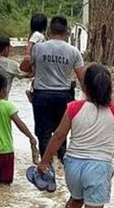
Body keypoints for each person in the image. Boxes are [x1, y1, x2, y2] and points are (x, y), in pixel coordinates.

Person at [37, 64, 114, 208]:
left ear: (84, 87)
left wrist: (44, 162)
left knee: (76, 199)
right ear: (109, 89)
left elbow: (58, 136)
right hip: (98, 168)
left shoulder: (73, 108)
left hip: (73, 166)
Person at [31, 16, 85, 163]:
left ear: (49, 31)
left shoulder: (38, 48)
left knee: (43, 133)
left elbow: (31, 69)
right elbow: (82, 79)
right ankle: (63, 163)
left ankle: (46, 166)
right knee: (61, 132)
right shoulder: (74, 52)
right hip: (64, 96)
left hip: (41, 95)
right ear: (66, 32)